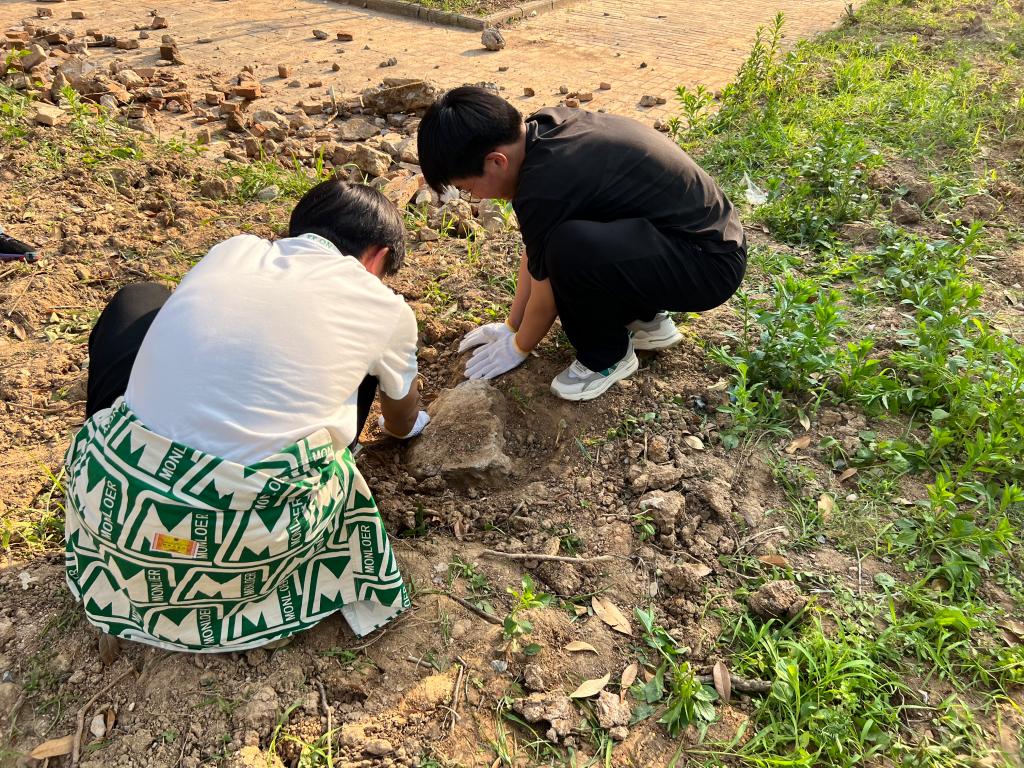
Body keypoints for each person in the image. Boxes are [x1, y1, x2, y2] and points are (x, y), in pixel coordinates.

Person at [65, 179, 428, 654]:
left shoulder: (232, 250)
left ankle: (132, 457)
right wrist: (402, 426)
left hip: (114, 521)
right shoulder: (384, 308)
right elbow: (401, 418)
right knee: (359, 371)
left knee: (140, 300)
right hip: (243, 549)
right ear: (379, 257)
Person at [416, 87, 747, 401]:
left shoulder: (543, 186)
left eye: (468, 188)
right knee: (568, 241)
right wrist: (511, 326)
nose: (474, 197)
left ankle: (607, 356)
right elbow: (536, 253)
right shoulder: (544, 129)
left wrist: (518, 346)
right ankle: (646, 321)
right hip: (702, 239)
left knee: (569, 250)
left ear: (496, 161)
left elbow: (546, 296)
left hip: (707, 265)